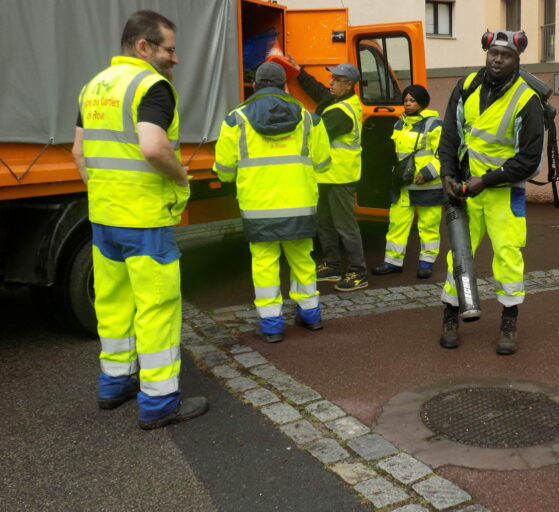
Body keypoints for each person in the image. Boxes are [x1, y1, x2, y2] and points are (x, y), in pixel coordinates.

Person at [71, 10, 208, 429]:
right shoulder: (152, 86)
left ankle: (115, 383)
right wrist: (181, 175)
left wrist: (103, 192)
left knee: (113, 303)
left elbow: (78, 152)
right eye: (170, 49)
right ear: (144, 46)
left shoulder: (94, 87)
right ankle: (160, 402)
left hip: (104, 217)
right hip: (144, 218)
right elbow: (152, 147)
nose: (175, 58)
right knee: (157, 308)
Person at [437, 30, 545, 355]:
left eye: (506, 55)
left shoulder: (527, 100)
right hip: (465, 188)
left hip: (503, 191)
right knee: (459, 253)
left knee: (508, 255)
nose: (498, 59)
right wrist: (448, 174)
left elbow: (528, 160)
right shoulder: (467, 86)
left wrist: (486, 181)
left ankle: (509, 321)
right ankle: (450, 315)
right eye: (493, 53)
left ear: (517, 59)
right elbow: (450, 134)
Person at [213, 62, 331, 343]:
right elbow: (323, 164)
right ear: (284, 86)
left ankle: (271, 325)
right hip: (300, 203)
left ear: (255, 85)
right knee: (302, 260)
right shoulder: (310, 118)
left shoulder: (235, 120)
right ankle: (310, 315)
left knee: (264, 263)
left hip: (258, 207)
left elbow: (224, 169)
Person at [293, 60, 368, 292]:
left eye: (337, 80)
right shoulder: (336, 100)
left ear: (350, 84)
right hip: (326, 175)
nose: (331, 83)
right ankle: (331, 265)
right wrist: (299, 72)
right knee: (323, 221)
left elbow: (315, 134)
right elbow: (319, 91)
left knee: (345, 227)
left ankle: (358, 272)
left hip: (340, 176)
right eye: (332, 78)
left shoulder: (342, 112)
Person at [372, 85, 443, 279]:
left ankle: (426, 264)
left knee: (428, 226)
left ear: (422, 102)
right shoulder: (399, 124)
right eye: (405, 100)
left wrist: (428, 173)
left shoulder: (434, 124)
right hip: (403, 184)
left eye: (412, 100)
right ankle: (392, 262)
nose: (408, 104)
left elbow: (443, 154)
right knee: (397, 223)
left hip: (427, 184)